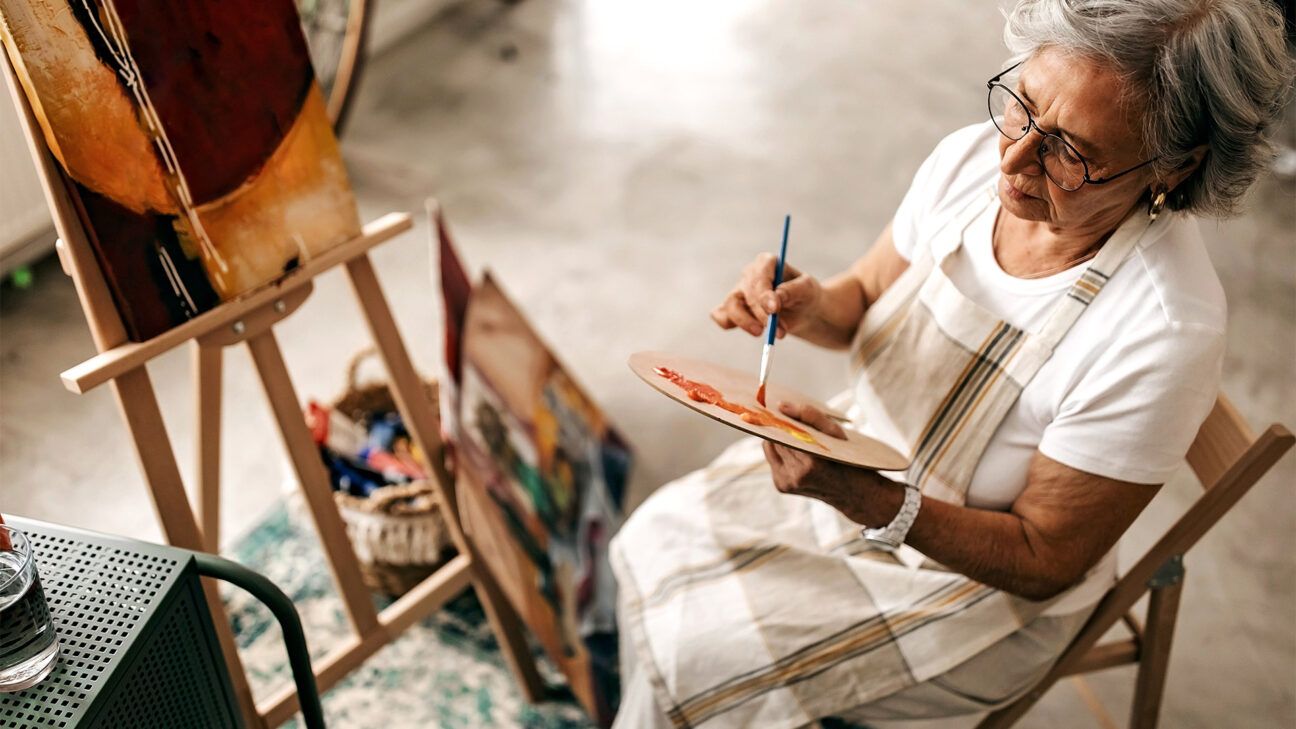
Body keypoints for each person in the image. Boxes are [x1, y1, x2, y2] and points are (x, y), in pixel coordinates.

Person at [609, 1, 1292, 727]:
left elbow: (1042, 558)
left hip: (977, 594)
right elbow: (866, 298)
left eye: (1069, 150)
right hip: (860, 463)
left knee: (697, 655)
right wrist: (807, 304)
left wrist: (869, 501)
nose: (1013, 160)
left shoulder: (1161, 330)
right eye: (1022, 107)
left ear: (1176, 166)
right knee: (651, 537)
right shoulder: (970, 162)